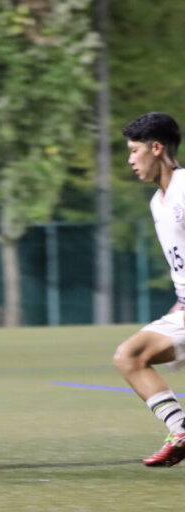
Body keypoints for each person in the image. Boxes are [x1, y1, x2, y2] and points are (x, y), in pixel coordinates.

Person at [114, 111, 185, 467]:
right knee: (130, 355)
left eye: (134, 150)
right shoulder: (159, 201)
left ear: (156, 148)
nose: (130, 160)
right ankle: (180, 430)